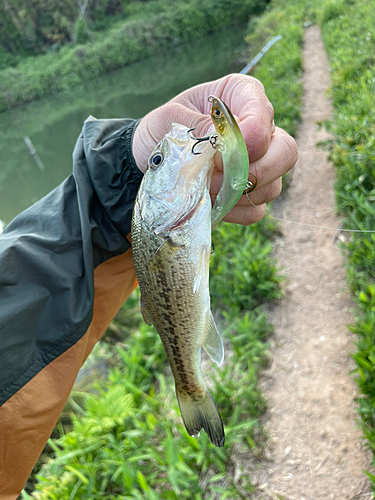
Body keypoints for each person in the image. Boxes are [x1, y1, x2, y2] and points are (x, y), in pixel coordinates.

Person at [0, 73, 297, 498]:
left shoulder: (163, 218)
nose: (163, 157)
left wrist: (122, 170)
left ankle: (189, 383)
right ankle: (190, 385)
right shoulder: (162, 221)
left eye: (156, 163)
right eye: (158, 163)